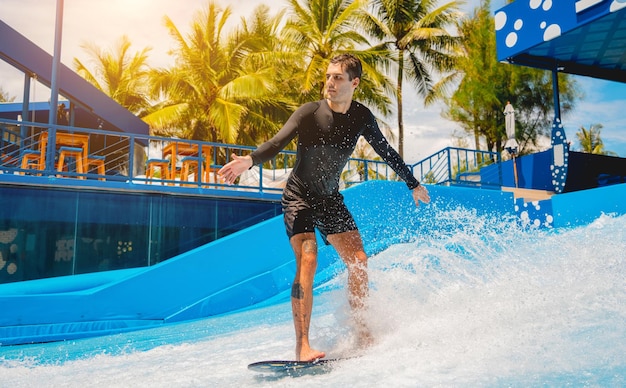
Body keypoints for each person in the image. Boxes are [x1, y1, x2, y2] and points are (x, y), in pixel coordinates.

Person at [218, 53, 430, 361]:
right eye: (328, 76)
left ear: (354, 83)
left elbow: (385, 151)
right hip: (299, 196)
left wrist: (412, 182)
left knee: (358, 259)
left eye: (338, 78)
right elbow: (277, 143)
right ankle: (303, 346)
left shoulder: (361, 116)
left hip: (330, 198)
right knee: (308, 259)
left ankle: (363, 332)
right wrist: (250, 161)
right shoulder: (309, 113)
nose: (329, 83)